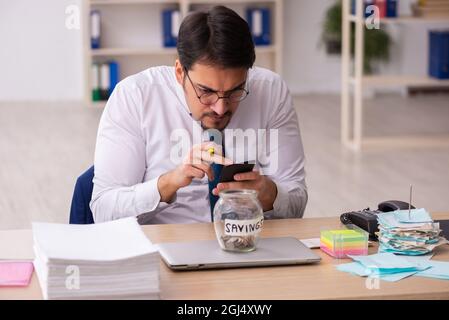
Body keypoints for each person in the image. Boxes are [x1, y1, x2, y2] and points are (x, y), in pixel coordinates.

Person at [90, 6, 307, 224]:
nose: (221, 108)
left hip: (249, 243)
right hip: (162, 246)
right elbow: (103, 210)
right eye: (206, 92)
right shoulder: (135, 96)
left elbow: (297, 202)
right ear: (179, 72)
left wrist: (270, 194)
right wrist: (168, 183)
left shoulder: (271, 90)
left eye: (235, 91)